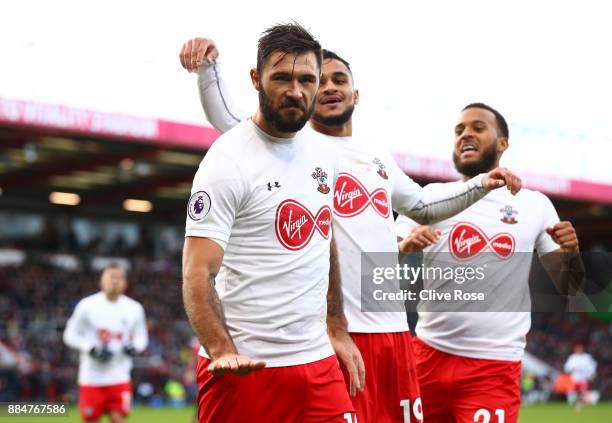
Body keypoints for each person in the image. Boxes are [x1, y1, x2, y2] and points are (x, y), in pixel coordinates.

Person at [179, 38, 522, 422]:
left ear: (355, 94)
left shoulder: (375, 157)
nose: (327, 87)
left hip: (391, 330)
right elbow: (229, 118)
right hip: (328, 335)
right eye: (318, 80)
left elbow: (423, 207)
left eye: (337, 80)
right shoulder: (289, 145)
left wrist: (480, 184)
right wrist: (209, 71)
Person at [182, 23, 356, 423]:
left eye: (306, 79)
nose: (296, 91)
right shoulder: (227, 160)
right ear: (256, 79)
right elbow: (197, 271)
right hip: (245, 371)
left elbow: (322, 236)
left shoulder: (323, 154)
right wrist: (221, 350)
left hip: (318, 367)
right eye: (282, 77)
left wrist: (336, 325)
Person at [395, 103, 583, 423]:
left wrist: (572, 254)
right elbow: (379, 262)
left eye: (478, 128)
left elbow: (571, 287)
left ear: (502, 143)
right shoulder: (431, 197)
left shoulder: (534, 205)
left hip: (493, 367)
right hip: (426, 358)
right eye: (459, 130)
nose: (466, 134)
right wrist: (405, 246)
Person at [63, 264, 148, 423]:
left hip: (120, 375)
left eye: (120, 278)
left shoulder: (134, 308)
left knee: (118, 418)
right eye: (111, 277)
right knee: (92, 419)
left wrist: (134, 348)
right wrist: (90, 348)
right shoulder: (87, 305)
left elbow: (141, 338)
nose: (115, 281)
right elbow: (69, 334)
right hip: (92, 376)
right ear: (101, 281)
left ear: (125, 283)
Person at [564, 343, 597, 411]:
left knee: (583, 392)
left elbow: (592, 366)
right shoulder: (572, 357)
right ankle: (572, 404)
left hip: (583, 379)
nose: (579, 349)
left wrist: (591, 374)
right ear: (575, 349)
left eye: (580, 348)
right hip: (574, 379)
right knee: (572, 392)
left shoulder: (587, 357)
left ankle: (580, 405)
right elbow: (567, 367)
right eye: (577, 348)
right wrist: (571, 369)